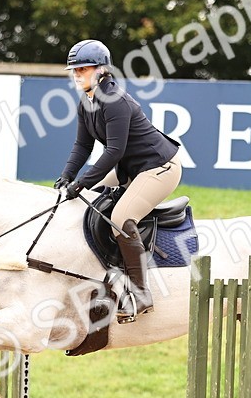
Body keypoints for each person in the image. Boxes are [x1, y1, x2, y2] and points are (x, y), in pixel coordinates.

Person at [56, 39, 184, 323]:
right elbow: (82, 147)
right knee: (91, 201)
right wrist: (67, 175)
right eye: (74, 70)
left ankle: (141, 293)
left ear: (102, 70)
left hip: (159, 167)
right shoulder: (86, 103)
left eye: (83, 69)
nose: (77, 74)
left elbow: (114, 151)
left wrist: (84, 181)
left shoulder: (115, 102)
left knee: (121, 216)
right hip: (132, 168)